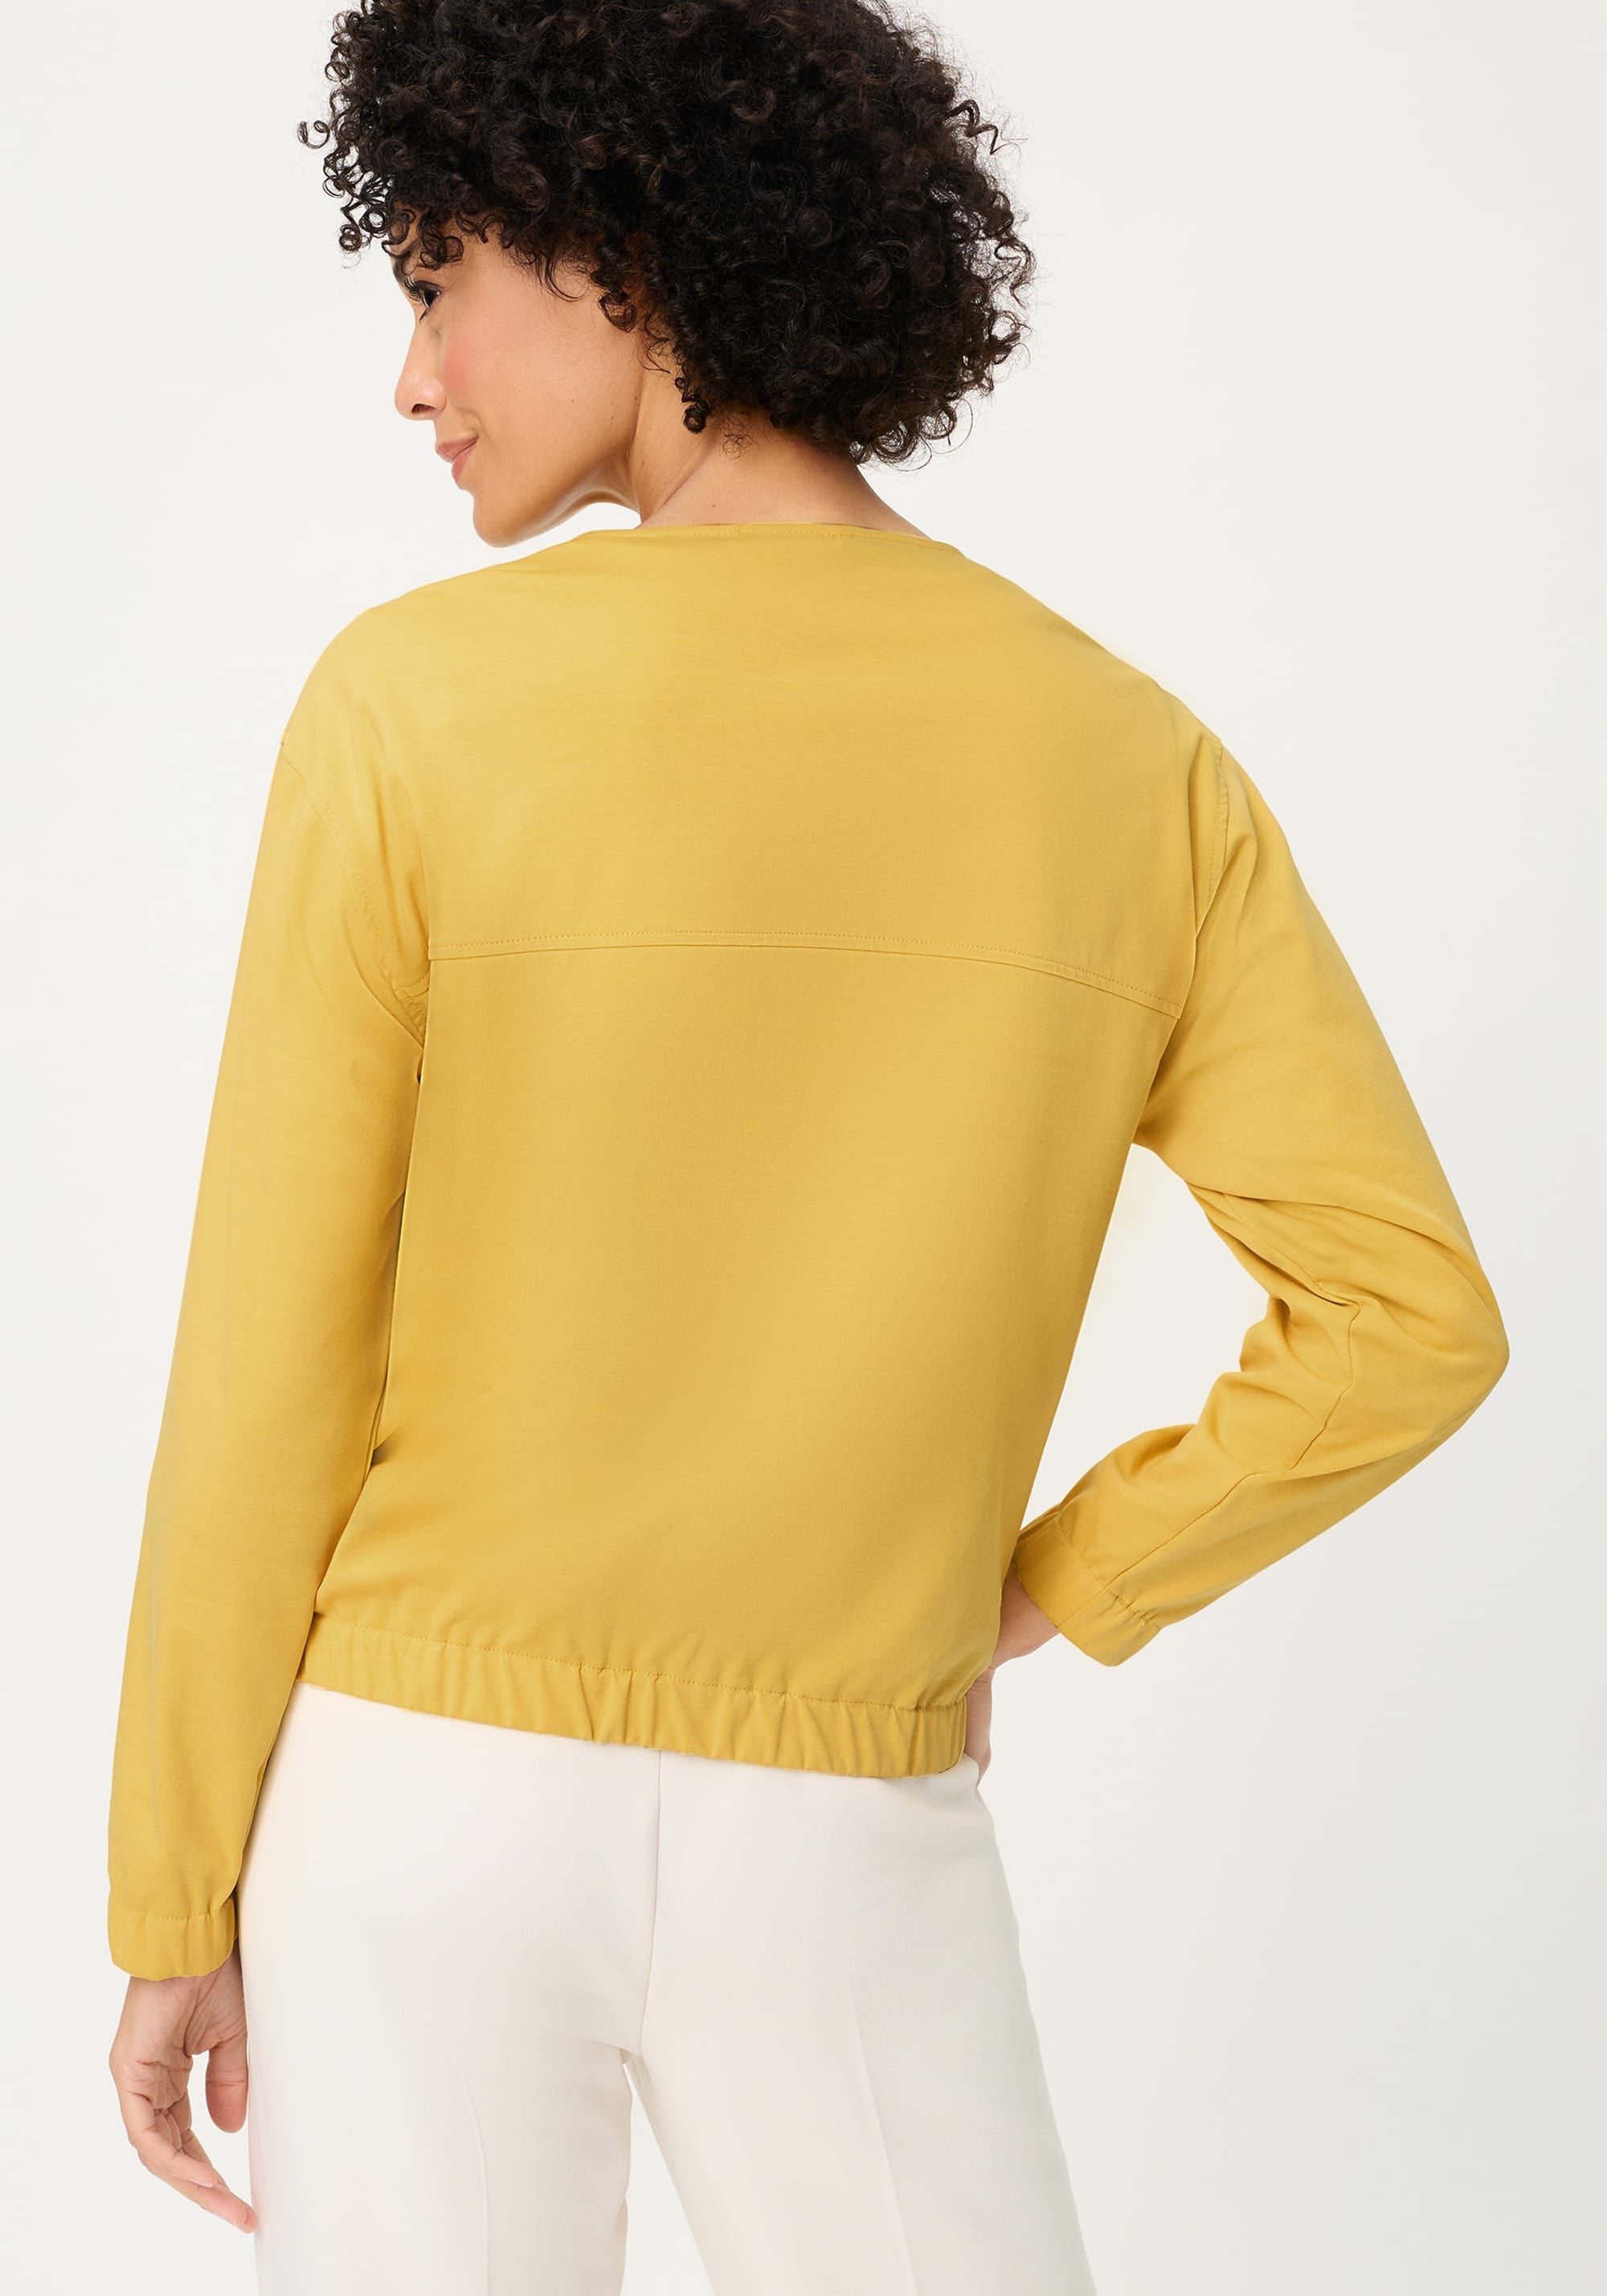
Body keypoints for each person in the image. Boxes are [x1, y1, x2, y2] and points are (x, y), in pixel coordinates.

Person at [104, 2, 1510, 2290]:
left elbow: (271, 1358)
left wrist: (175, 1889)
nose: (412, 375)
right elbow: (1407, 1315)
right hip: (846, 1814)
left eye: (442, 280)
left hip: (416, 1802)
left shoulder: (410, 704)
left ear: (626, 250)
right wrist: (1033, 1591)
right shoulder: (1126, 760)